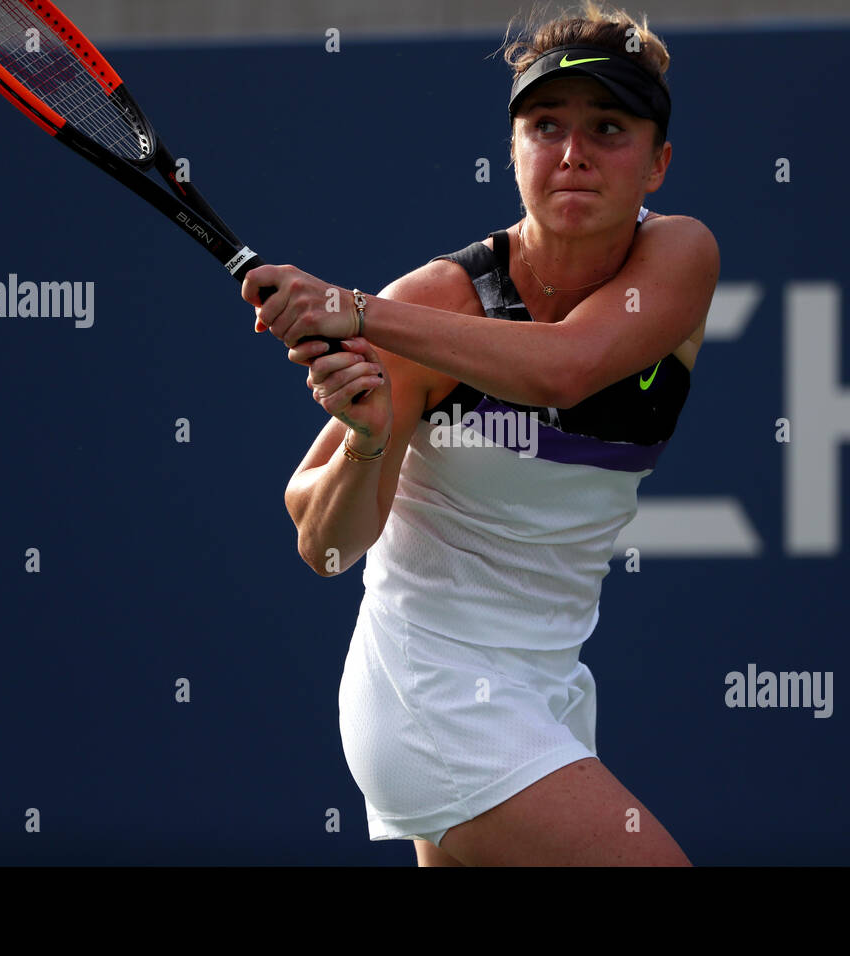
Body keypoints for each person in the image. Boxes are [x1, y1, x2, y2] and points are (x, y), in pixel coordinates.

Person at [243, 1, 718, 866]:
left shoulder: (680, 257)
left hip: (547, 686)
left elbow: (567, 367)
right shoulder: (430, 306)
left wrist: (357, 311)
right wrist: (370, 441)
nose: (572, 153)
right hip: (433, 693)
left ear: (659, 165)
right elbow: (326, 547)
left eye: (608, 128)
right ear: (513, 152)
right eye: (545, 127)